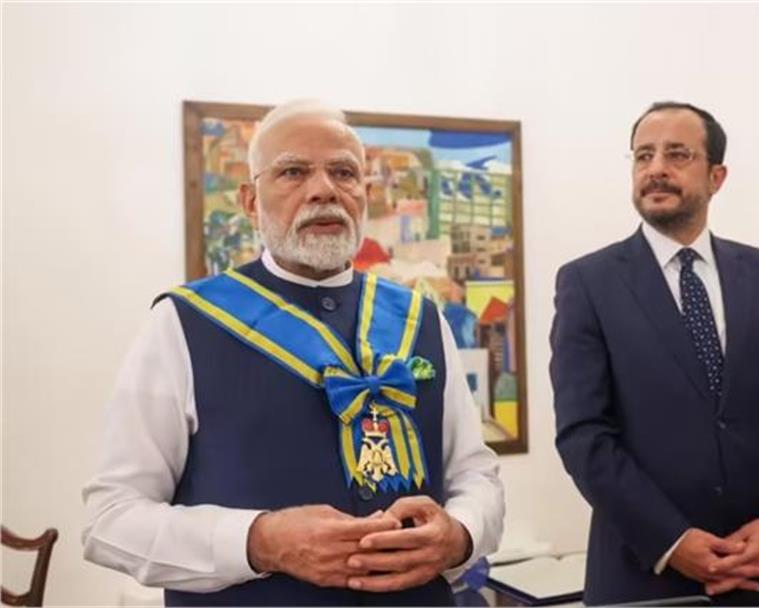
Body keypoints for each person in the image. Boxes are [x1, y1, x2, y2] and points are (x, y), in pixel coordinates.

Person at [83, 100, 504, 607]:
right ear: (250, 201)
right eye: (293, 172)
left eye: (343, 172)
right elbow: (110, 518)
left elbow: (475, 475)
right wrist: (259, 542)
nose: (324, 189)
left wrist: (460, 533)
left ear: (366, 196)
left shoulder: (423, 319)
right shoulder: (181, 323)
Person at [549, 101, 759, 606]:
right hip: (646, 577)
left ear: (716, 176)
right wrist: (672, 541)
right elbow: (584, 434)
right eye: (643, 156)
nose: (656, 168)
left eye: (677, 154)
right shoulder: (588, 283)